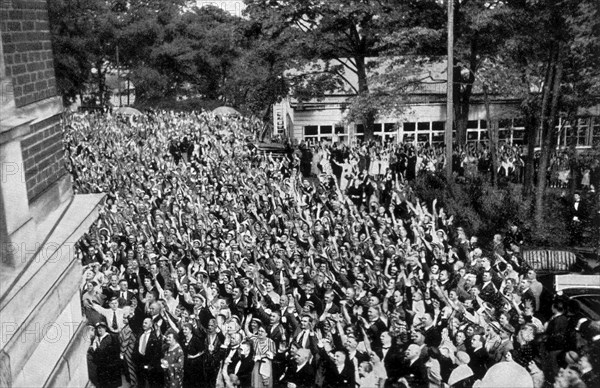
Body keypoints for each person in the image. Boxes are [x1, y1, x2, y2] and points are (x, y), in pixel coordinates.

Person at [88, 322, 121, 388]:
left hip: (109, 367)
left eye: (101, 328)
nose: (99, 330)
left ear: (105, 328)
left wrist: (94, 347)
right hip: (103, 366)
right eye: (97, 328)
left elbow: (100, 350)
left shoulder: (107, 338)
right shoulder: (99, 338)